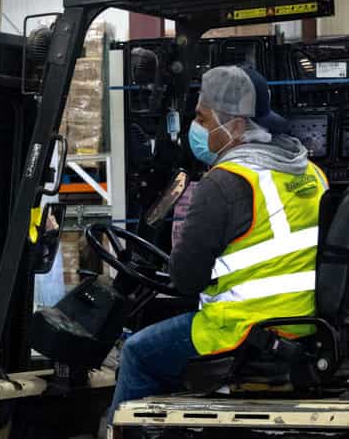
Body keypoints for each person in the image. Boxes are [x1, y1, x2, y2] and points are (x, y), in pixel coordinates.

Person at [110, 64, 327, 411]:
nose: (194, 128)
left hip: (244, 329)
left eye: (203, 118)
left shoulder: (225, 181)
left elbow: (186, 279)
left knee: (137, 353)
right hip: (307, 324)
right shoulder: (311, 173)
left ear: (236, 127)